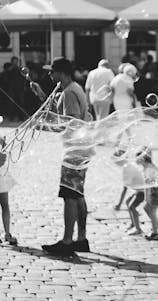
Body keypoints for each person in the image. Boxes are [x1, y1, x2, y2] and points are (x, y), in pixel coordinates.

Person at [31, 57, 92, 256]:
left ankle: (67, 242)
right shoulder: (74, 88)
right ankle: (81, 239)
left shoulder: (68, 93)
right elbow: (62, 113)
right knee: (78, 194)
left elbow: (70, 123)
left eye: (52, 71)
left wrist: (44, 126)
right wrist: (41, 94)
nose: (49, 74)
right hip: (82, 148)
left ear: (61, 73)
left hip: (74, 151)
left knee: (69, 196)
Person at [0, 136, 18, 245]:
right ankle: (7, 233)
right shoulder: (1, 140)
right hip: (1, 175)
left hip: (1, 176)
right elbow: (4, 158)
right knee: (5, 206)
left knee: (5, 206)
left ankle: (7, 233)